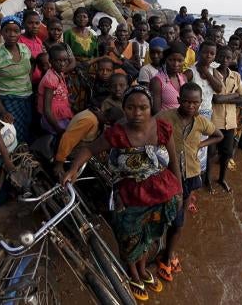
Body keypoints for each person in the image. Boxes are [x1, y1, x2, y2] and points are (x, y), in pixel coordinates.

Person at [61, 86, 183, 301]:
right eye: (131, 108)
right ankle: (133, 273)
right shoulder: (117, 133)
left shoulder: (162, 128)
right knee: (129, 236)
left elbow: (174, 162)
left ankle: (143, 270)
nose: (137, 113)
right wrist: (72, 170)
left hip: (159, 191)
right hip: (129, 193)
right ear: (124, 109)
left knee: (148, 235)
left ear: (150, 108)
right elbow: (89, 149)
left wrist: (180, 192)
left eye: (143, 108)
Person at [156, 82, 223, 280]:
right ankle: (166, 251)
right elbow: (150, 129)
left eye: (195, 102)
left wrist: (199, 145)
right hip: (167, 174)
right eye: (186, 101)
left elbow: (218, 135)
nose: (190, 106)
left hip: (192, 174)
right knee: (164, 214)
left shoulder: (202, 122)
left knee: (179, 219)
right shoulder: (165, 117)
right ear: (178, 101)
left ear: (201, 103)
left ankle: (168, 255)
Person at [0, 16, 33, 143]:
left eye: (15, 31)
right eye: (7, 31)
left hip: (27, 98)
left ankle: (25, 155)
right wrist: (3, 111)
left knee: (27, 128)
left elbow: (29, 72)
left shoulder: (25, 49)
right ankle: (15, 156)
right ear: (2, 32)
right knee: (13, 133)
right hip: (9, 100)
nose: (12, 34)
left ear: (20, 32)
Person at [184, 40, 223, 185]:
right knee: (190, 147)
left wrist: (207, 72)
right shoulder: (190, 72)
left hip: (207, 115)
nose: (208, 56)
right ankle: (188, 176)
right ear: (199, 53)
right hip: (192, 115)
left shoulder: (214, 71)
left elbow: (219, 88)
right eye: (205, 52)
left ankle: (196, 178)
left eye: (212, 53)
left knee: (202, 148)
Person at [211, 46, 242, 192]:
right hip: (213, 121)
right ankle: (207, 179)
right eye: (221, 56)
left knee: (227, 153)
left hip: (230, 122)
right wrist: (233, 96)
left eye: (228, 57)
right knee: (211, 153)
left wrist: (223, 98)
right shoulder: (211, 74)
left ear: (232, 59)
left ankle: (222, 179)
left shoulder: (236, 76)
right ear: (217, 57)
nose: (224, 60)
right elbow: (213, 98)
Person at [53, 106, 124, 179]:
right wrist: (59, 163)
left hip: (75, 153)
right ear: (108, 122)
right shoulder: (90, 121)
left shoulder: (97, 117)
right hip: (69, 156)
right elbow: (68, 139)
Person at [37, 44, 73, 135]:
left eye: (65, 60)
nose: (62, 64)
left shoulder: (59, 73)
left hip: (60, 116)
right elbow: (47, 110)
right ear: (51, 61)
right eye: (58, 61)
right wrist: (58, 128)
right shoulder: (50, 79)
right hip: (53, 121)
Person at [151, 42, 187, 113]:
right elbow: (156, 111)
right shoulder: (157, 81)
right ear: (165, 59)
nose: (176, 64)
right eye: (172, 60)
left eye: (180, 61)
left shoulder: (183, 78)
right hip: (165, 122)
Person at [18, 11, 44, 86]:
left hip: (39, 82)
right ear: (23, 24)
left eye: (37, 23)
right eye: (30, 23)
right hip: (25, 83)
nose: (34, 26)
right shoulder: (19, 41)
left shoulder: (39, 41)